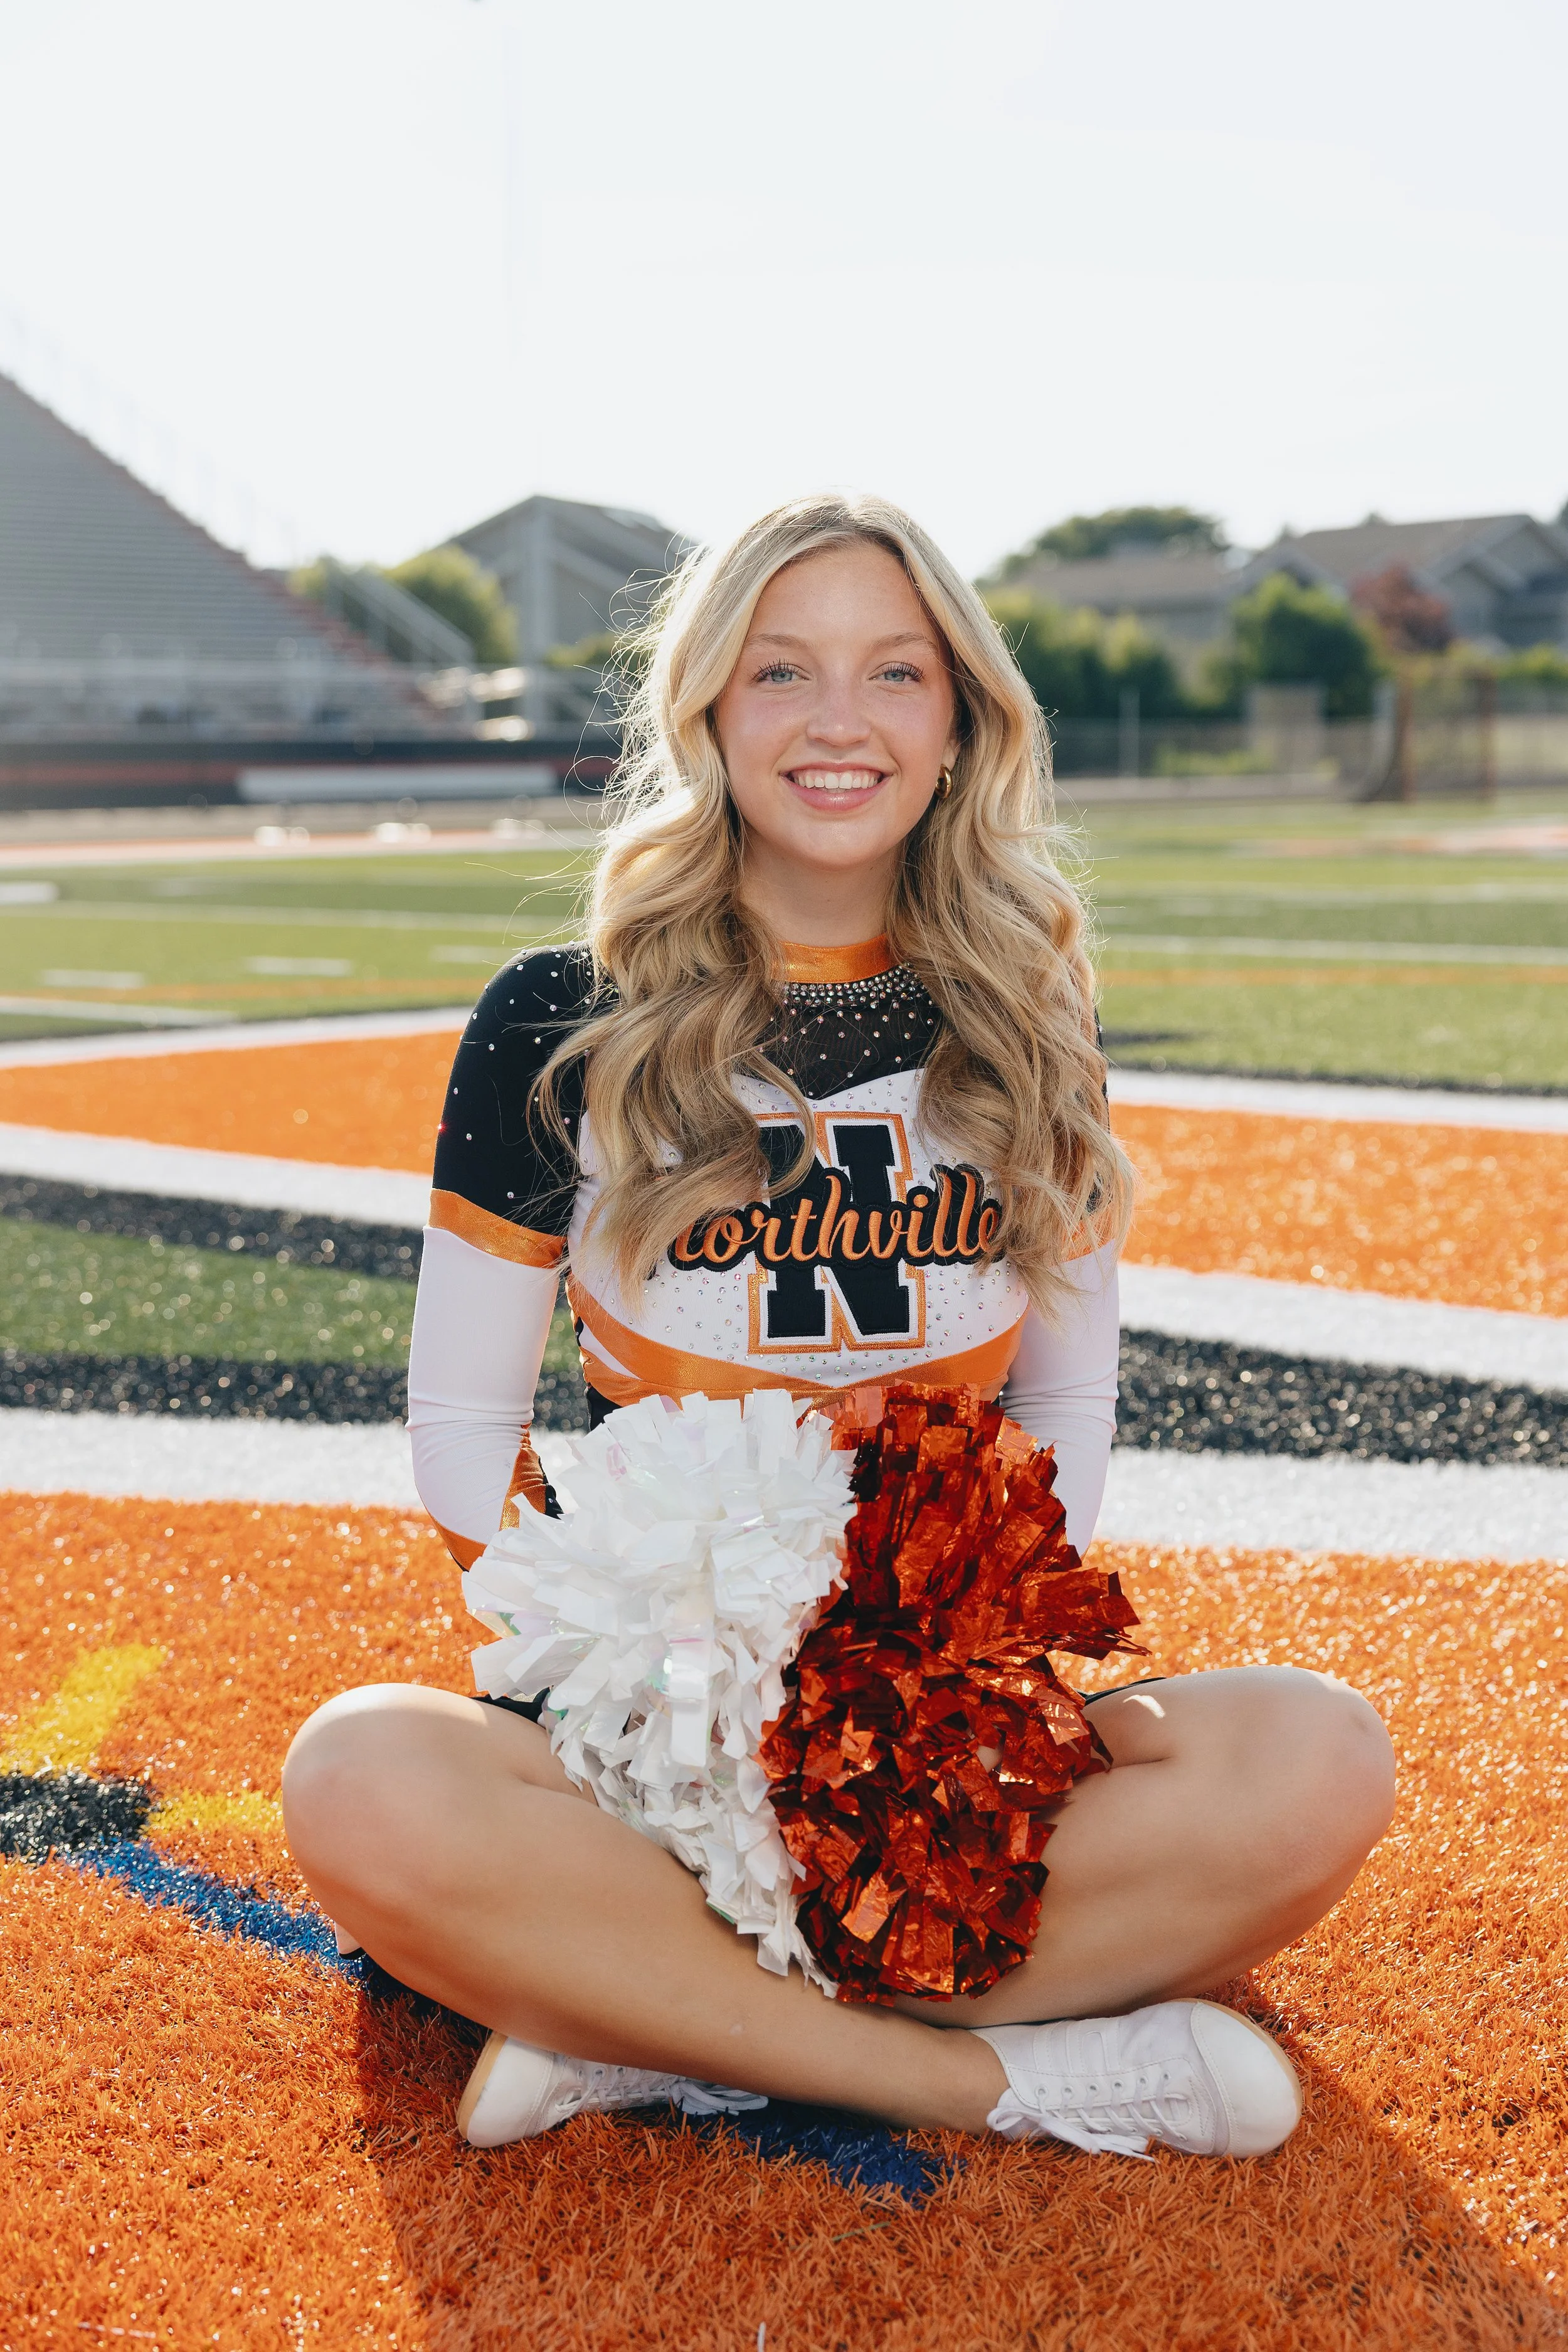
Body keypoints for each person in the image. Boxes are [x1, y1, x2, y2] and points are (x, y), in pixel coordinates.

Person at [282, 493, 1394, 2161]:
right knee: (360, 1775)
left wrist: (942, 1663)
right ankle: (986, 2074)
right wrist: (665, 1691)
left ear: (957, 720)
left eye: (892, 672)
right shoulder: (557, 1010)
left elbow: (1069, 1387)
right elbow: (460, 1424)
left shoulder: (1029, 1005)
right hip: (646, 1718)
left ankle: (642, 2020)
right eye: (782, 671)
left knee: (1315, 1758)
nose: (836, 721)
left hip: (936, 1707)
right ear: (710, 708)